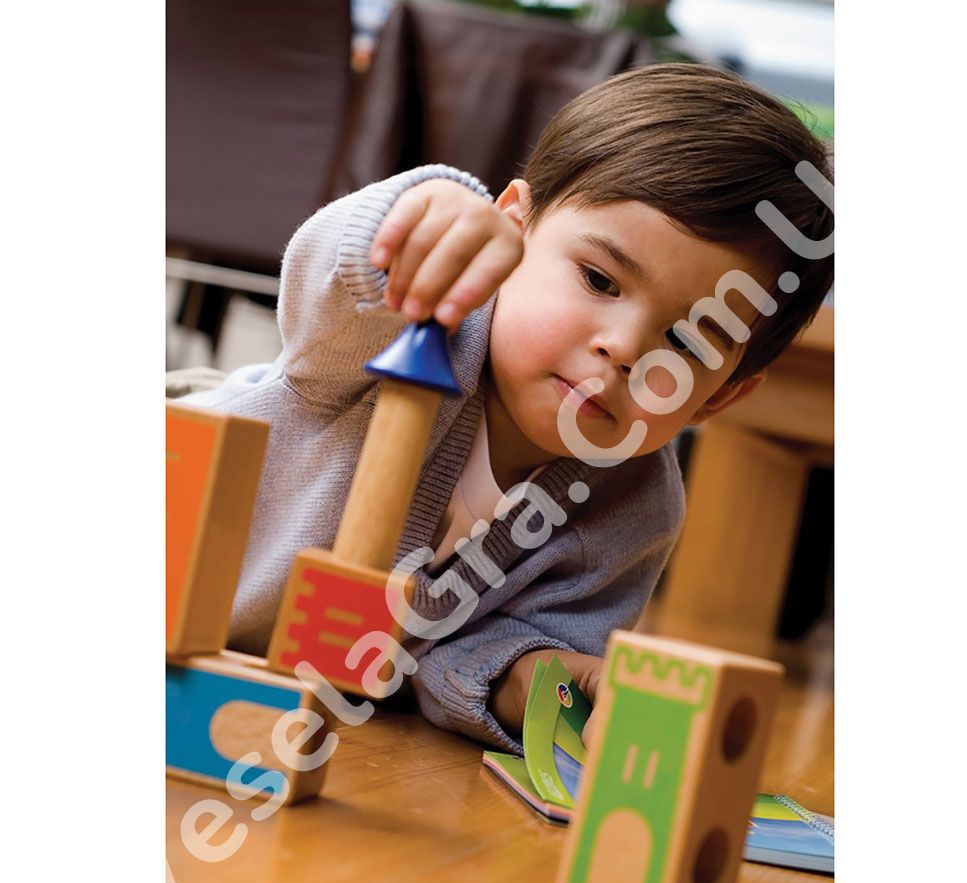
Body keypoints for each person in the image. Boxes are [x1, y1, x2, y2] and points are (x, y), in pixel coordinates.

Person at [184, 63, 834, 751]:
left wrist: (554, 682)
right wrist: (426, 219)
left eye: (687, 342)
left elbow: (482, 654)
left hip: (260, 710)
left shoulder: (635, 511)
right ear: (514, 229)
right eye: (599, 279)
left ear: (721, 396)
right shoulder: (408, 327)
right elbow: (334, 287)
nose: (624, 348)